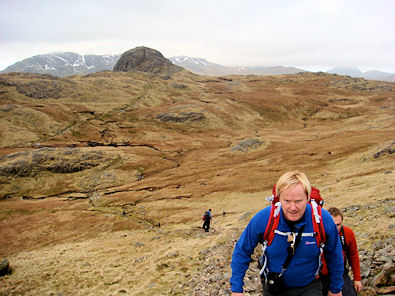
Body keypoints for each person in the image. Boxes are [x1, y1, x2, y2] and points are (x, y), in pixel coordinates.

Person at [230, 171, 344, 296]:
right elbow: (242, 250)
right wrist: (236, 289)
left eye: (298, 201)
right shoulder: (265, 219)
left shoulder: (322, 220)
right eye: (287, 201)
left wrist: (335, 289)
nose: (293, 207)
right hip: (274, 287)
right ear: (279, 198)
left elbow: (335, 254)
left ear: (308, 198)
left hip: (309, 287)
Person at [321, 207, 362, 296]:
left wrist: (357, 279)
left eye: (338, 225)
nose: (335, 228)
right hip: (320, 276)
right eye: (332, 224)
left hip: (340, 273)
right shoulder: (318, 234)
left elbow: (353, 255)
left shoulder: (347, 233)